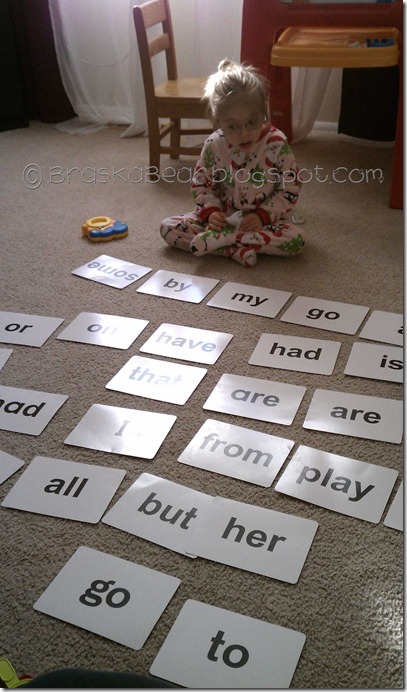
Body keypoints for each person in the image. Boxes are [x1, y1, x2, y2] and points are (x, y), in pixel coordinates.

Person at [160, 59, 305, 268]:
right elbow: (201, 184)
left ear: (264, 113)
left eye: (252, 122)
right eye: (233, 126)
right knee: (168, 228)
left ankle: (222, 242)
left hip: (263, 222)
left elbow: (290, 187)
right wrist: (211, 213)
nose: (244, 133)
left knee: (296, 240)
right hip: (223, 219)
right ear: (218, 122)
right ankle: (233, 249)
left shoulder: (277, 143)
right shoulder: (214, 145)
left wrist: (263, 215)